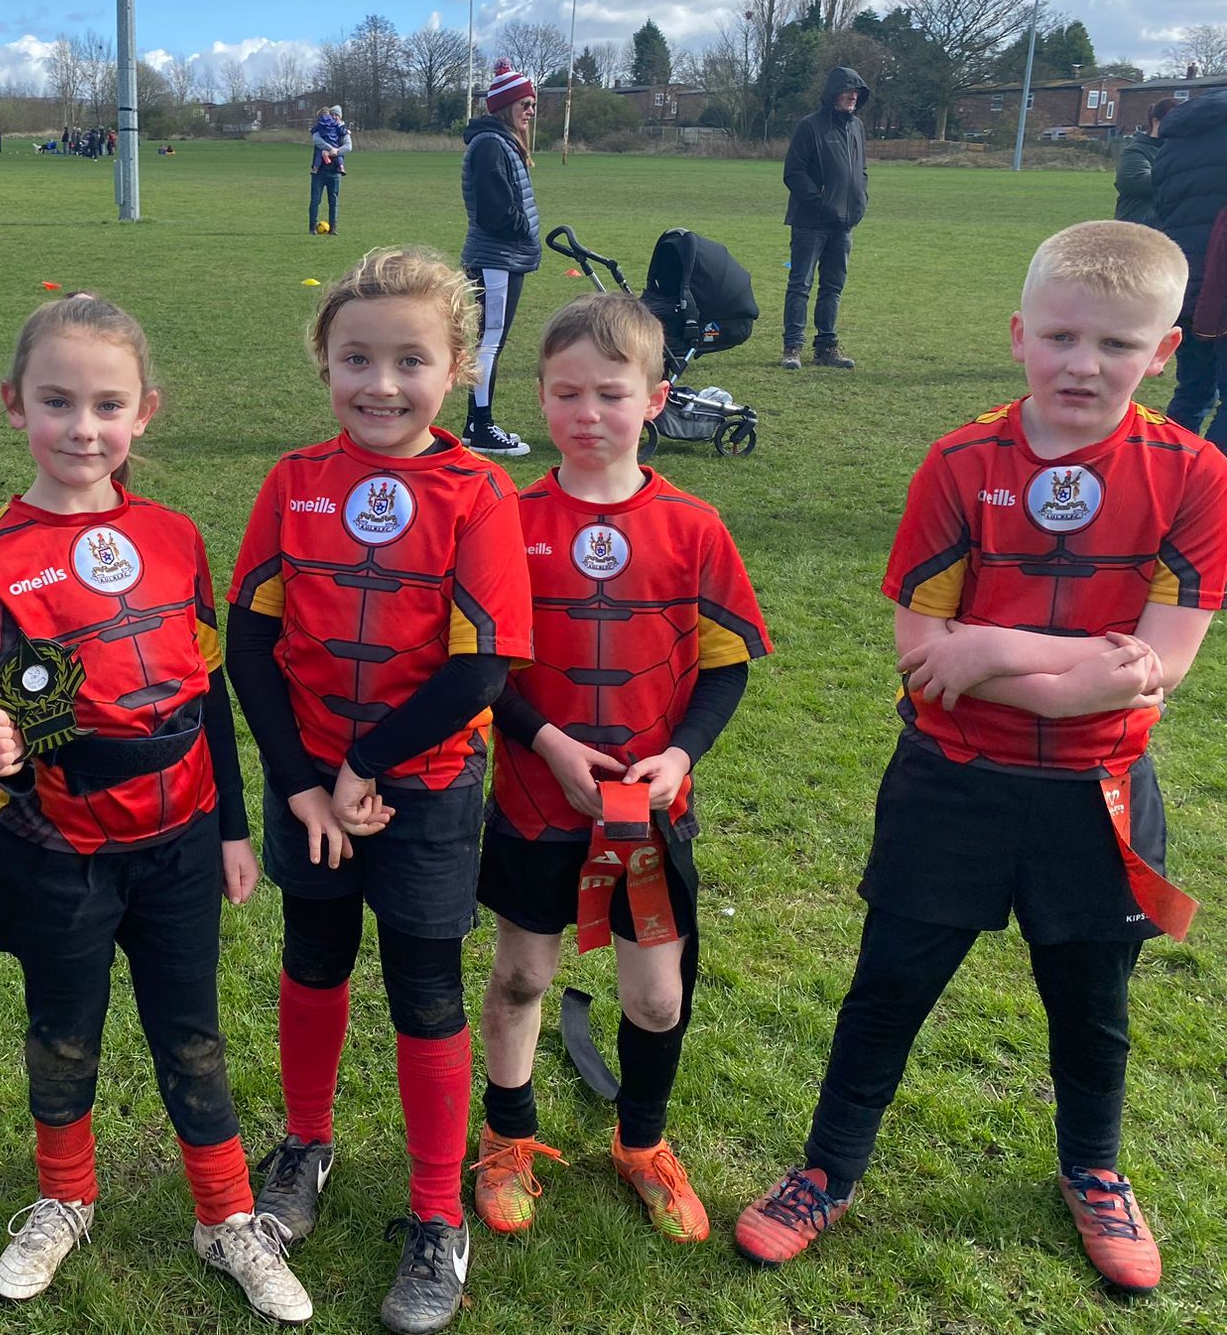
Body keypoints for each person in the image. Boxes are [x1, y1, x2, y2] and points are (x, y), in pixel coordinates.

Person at [734, 221, 1227, 1296]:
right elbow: (923, 659)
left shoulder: (1194, 473)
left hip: (1098, 791)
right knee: (888, 986)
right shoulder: (960, 461)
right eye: (1059, 336)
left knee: (1091, 1002)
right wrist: (1066, 667)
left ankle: (1093, 1169)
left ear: (1163, 353)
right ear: (1017, 335)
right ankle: (826, 1169)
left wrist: (994, 648)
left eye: (1115, 344)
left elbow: (1156, 671)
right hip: (950, 782)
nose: (1081, 364)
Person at [0, 297, 310, 1322]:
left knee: (190, 1032)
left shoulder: (173, 536)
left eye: (107, 405)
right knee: (63, 1032)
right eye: (56, 402)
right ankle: (65, 1198)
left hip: (182, 847)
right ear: (14, 405)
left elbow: (207, 694)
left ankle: (225, 1216)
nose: (83, 428)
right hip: (63, 852)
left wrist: (231, 827)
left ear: (145, 410)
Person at [228, 248, 531, 1335]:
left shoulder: (479, 494)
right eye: (356, 358)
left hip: (426, 792)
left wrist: (365, 769)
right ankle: (304, 1145)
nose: (382, 383)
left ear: (457, 368)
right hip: (311, 785)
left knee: (424, 989)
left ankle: (436, 1213)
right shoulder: (293, 481)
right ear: (324, 363)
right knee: (312, 958)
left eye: (410, 360)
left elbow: (479, 671)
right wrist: (305, 785)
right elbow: (249, 647)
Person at [470, 293, 771, 1247]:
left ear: (656, 399)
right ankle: (507, 1136)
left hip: (649, 813)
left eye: (611, 393)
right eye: (566, 394)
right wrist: (549, 744)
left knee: (656, 995)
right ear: (540, 397)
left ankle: (641, 1143)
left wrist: (680, 755)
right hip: (534, 801)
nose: (588, 413)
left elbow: (725, 667)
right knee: (523, 975)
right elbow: (483, 668)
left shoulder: (694, 526)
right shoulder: (505, 520)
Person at [459, 60, 542, 457]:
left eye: (533, 104)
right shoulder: (491, 145)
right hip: (496, 259)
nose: (531, 111)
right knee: (488, 343)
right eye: (525, 104)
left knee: (490, 342)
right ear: (507, 106)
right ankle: (481, 426)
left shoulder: (500, 142)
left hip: (505, 257)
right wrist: (523, 228)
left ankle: (475, 424)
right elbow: (496, 212)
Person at [780, 67, 869, 370]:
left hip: (843, 225)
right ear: (833, 94)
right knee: (800, 285)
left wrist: (861, 200)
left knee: (833, 287)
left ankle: (826, 348)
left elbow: (861, 170)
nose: (853, 96)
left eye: (857, 92)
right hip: (810, 223)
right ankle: (792, 347)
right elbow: (793, 172)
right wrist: (819, 203)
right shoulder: (810, 126)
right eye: (847, 91)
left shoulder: (857, 127)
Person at [1153, 87, 1227, 448]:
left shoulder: (1175, 140)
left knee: (1193, 390)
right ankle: (1214, 477)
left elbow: (1162, 207)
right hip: (1220, 279)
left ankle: (1171, 466)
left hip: (1184, 276)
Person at [1114, 100, 1175, 228]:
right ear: (1155, 121)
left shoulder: (1179, 151)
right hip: (1136, 226)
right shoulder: (1136, 150)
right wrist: (1182, 178)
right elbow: (1137, 182)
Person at [308, 141, 343, 238]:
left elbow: (347, 148)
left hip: (335, 173)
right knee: (315, 200)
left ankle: (333, 228)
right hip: (318, 173)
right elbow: (316, 138)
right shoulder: (319, 137)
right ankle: (312, 227)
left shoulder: (341, 137)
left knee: (333, 201)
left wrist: (332, 152)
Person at [310, 105, 349, 177]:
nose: (334, 117)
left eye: (336, 115)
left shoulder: (320, 125)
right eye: (332, 115)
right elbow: (316, 139)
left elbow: (348, 147)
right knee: (338, 156)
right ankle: (341, 167)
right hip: (334, 144)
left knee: (319, 154)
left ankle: (315, 168)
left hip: (334, 171)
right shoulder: (335, 125)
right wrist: (332, 149)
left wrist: (330, 153)